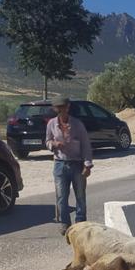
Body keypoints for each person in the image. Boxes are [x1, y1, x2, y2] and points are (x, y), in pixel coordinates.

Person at [46, 95, 93, 233]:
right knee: (61, 196)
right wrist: (54, 144)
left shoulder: (77, 124)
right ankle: (65, 223)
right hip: (60, 164)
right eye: (58, 108)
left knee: (80, 195)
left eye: (63, 107)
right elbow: (47, 140)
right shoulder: (51, 124)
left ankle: (81, 222)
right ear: (55, 109)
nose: (61, 110)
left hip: (77, 164)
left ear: (68, 107)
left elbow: (85, 145)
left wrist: (87, 164)